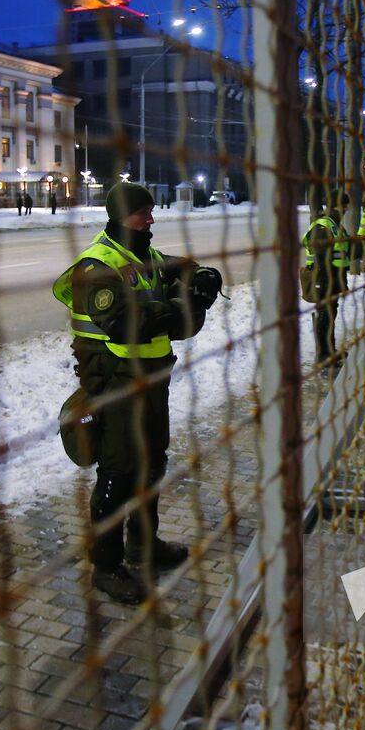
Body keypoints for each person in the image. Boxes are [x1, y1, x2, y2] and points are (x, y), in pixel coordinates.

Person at [52, 182, 223, 604]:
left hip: (150, 381)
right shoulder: (98, 266)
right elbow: (129, 323)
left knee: (151, 465)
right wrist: (184, 309)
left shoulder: (145, 256)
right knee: (118, 472)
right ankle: (106, 568)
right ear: (119, 216)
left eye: (150, 211)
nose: (150, 219)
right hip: (114, 384)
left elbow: (181, 269)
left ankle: (143, 544)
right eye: (141, 213)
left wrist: (203, 277)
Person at [302, 190, 351, 369]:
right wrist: (323, 283)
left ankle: (329, 351)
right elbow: (320, 258)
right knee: (324, 315)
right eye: (345, 206)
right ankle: (323, 355)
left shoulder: (334, 225)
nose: (346, 209)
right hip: (324, 281)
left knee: (330, 315)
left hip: (332, 280)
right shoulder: (324, 226)